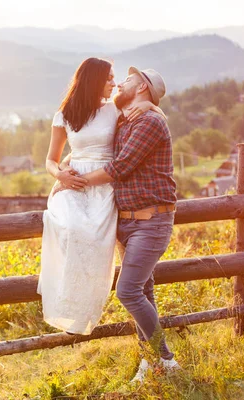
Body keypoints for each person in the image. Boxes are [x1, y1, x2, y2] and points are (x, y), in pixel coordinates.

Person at [37, 58, 162, 336]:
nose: (113, 84)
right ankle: (68, 304)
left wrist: (148, 104)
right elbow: (50, 160)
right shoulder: (65, 114)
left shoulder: (113, 110)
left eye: (114, 78)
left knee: (97, 240)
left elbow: (142, 112)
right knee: (70, 228)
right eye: (108, 79)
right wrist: (60, 176)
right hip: (73, 183)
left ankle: (92, 308)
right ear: (93, 80)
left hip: (105, 185)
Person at [77, 66, 181, 382]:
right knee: (143, 292)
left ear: (142, 88)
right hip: (128, 223)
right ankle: (151, 364)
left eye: (127, 80)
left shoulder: (148, 122)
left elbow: (120, 167)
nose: (120, 83)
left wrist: (76, 182)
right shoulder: (128, 117)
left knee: (128, 291)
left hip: (152, 221)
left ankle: (167, 360)